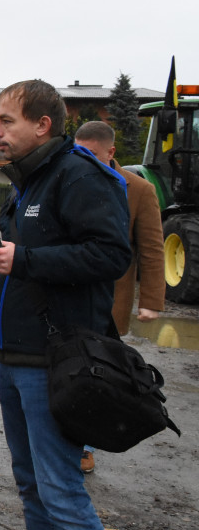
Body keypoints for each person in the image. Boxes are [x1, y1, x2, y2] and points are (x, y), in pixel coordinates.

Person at [0, 80, 131, 530]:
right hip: (12, 356)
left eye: (6, 121)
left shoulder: (78, 176)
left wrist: (26, 260)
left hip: (53, 362)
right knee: (29, 483)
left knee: (62, 490)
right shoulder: (27, 179)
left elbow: (111, 254)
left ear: (42, 125)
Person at [74, 120, 165, 474]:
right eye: (77, 154)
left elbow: (153, 249)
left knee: (96, 373)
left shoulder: (139, 190)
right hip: (70, 292)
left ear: (111, 152)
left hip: (111, 299)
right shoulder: (69, 181)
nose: (83, 161)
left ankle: (84, 446)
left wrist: (151, 301)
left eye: (91, 155)